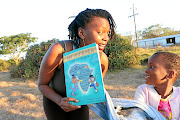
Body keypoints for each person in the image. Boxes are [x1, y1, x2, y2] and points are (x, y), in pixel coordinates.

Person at [38, 8, 116, 120]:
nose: (106, 38)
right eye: (100, 32)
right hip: (54, 101)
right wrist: (60, 101)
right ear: (81, 33)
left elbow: (92, 90)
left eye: (107, 33)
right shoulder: (59, 51)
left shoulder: (102, 60)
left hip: (79, 102)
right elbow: (42, 85)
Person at [134, 52, 180, 120]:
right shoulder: (143, 91)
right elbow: (137, 114)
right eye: (148, 67)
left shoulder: (178, 94)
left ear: (169, 74)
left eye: (152, 67)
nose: (146, 70)